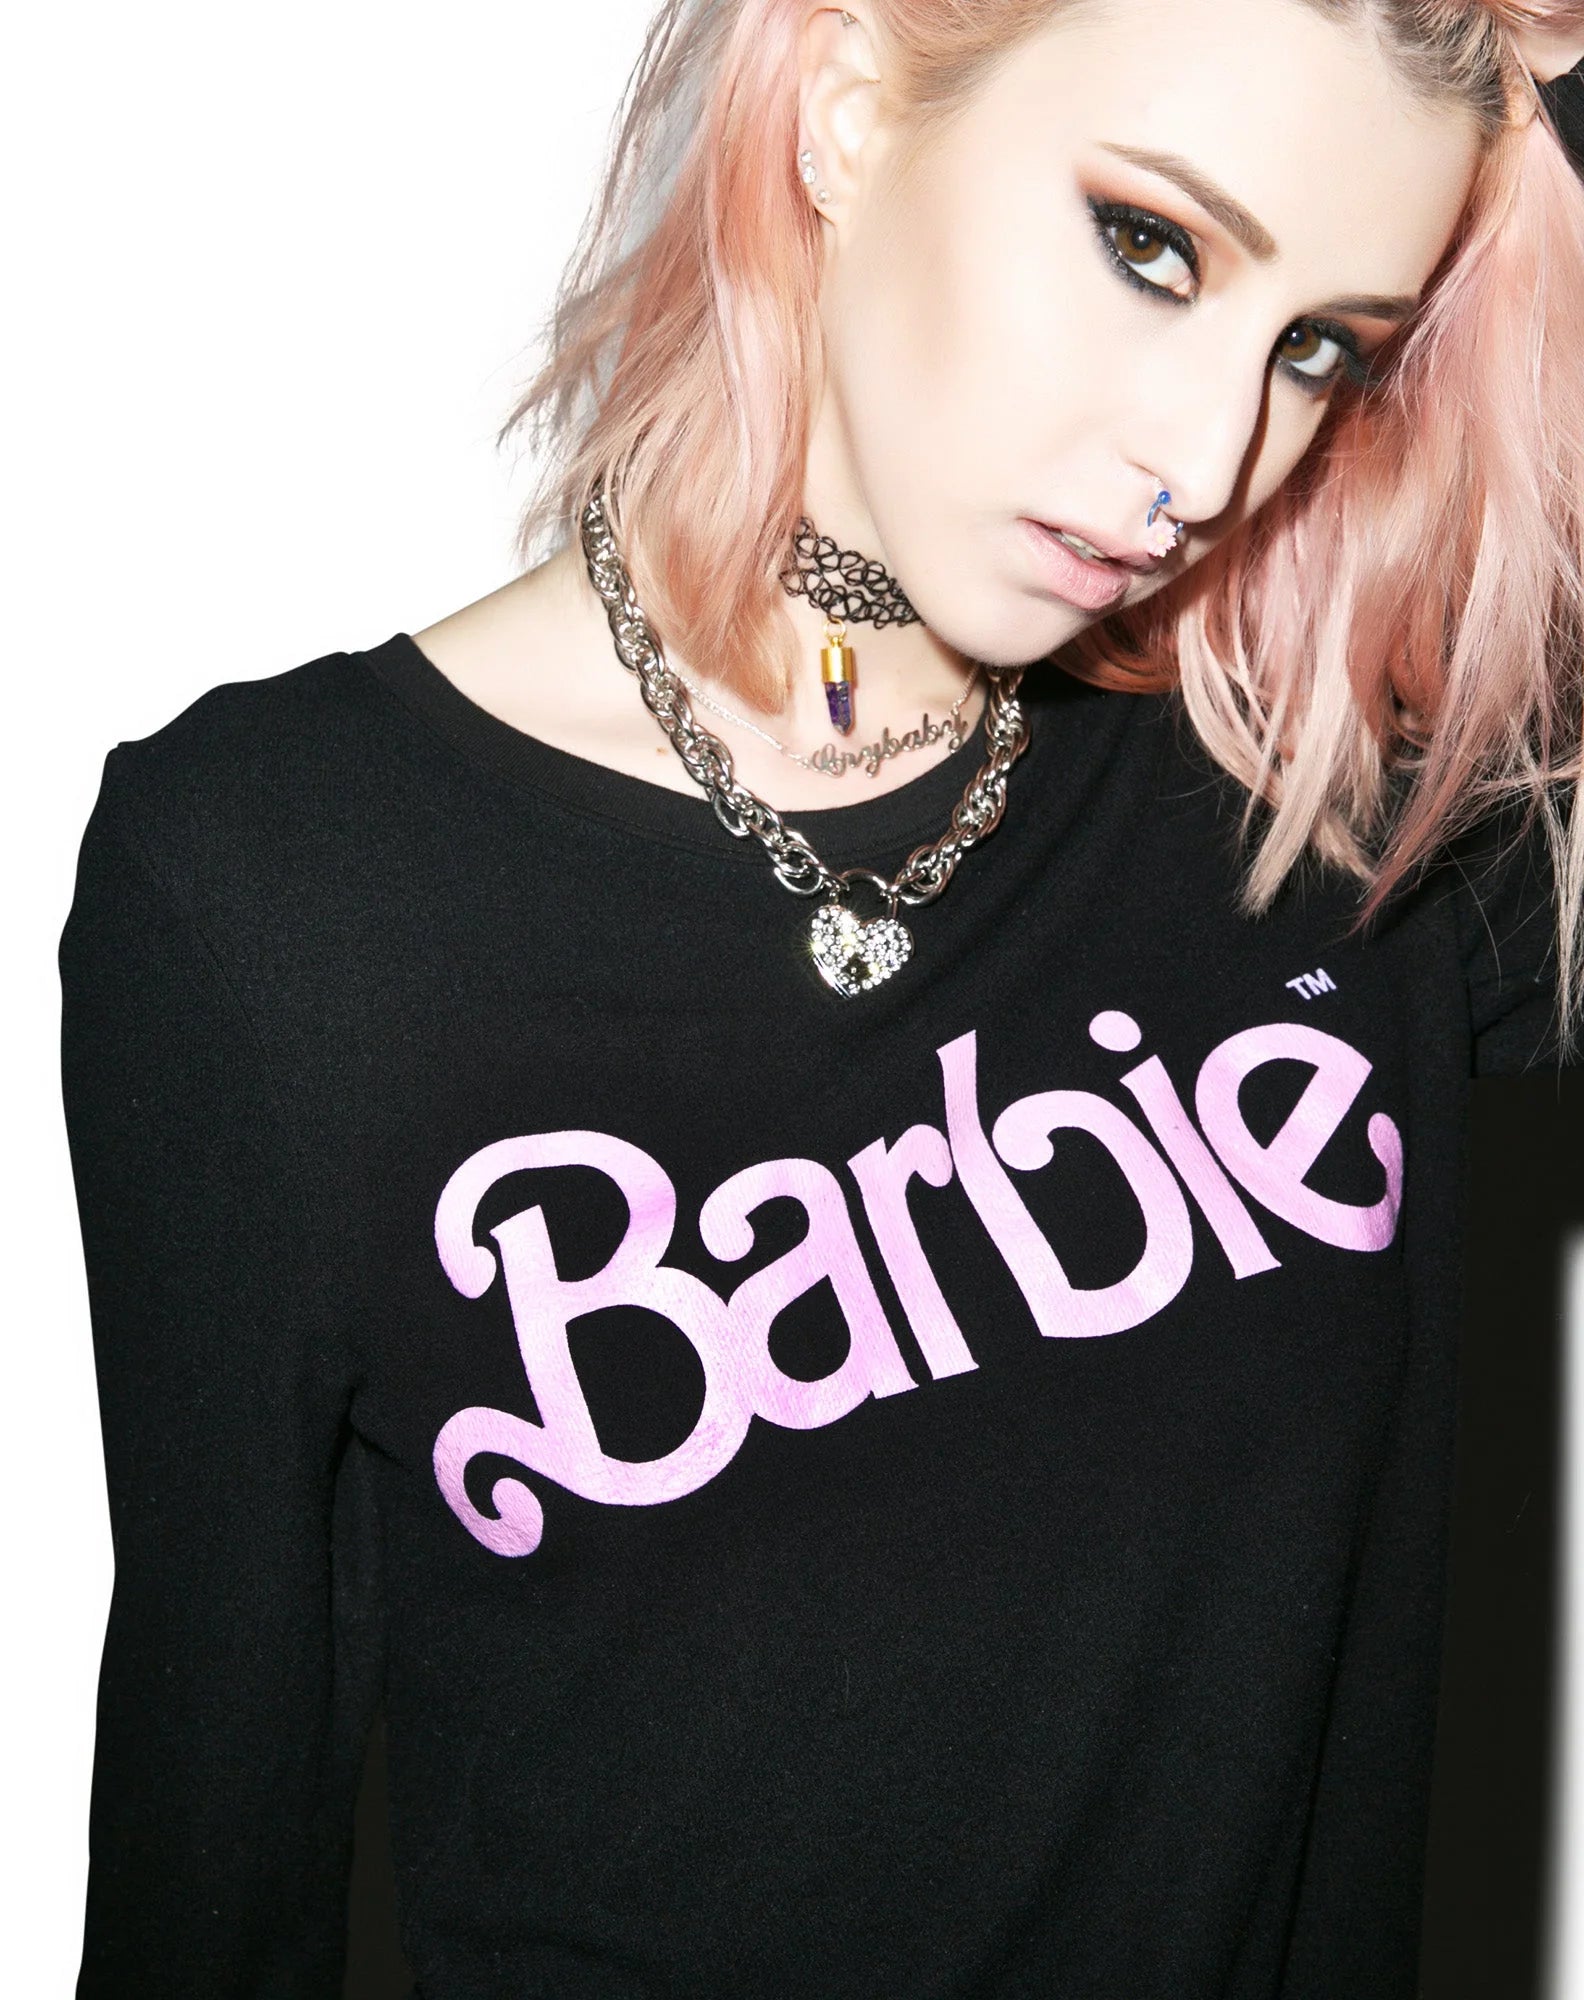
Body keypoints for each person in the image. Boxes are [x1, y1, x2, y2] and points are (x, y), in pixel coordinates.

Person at [57, 2, 1584, 1995]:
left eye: (1320, 349)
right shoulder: (282, 891)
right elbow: (208, 1865)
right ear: (850, 110)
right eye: (1150, 246)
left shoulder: (1341, 829)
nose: (1207, 461)